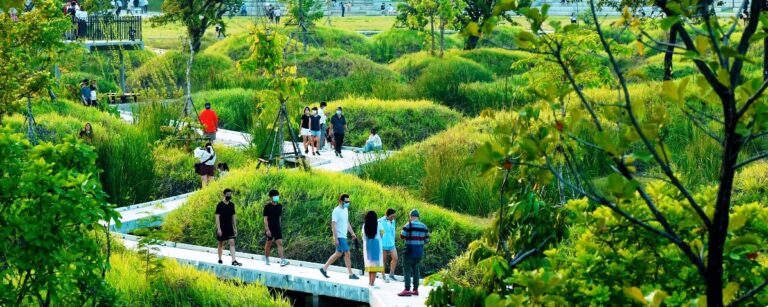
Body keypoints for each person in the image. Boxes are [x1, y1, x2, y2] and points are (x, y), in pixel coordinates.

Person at [319, 194, 359, 280]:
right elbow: (333, 225)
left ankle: (324, 268)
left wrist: (352, 233)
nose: (348, 203)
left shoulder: (346, 210)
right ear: (341, 201)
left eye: (349, 201)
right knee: (347, 252)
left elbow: (347, 222)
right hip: (339, 236)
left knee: (338, 254)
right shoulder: (336, 211)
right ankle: (351, 274)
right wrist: (335, 238)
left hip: (343, 235)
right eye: (346, 201)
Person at [397, 209, 430, 297]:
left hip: (409, 251)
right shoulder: (424, 226)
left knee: (407, 270)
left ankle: (407, 289)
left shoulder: (408, 225)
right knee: (416, 270)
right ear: (418, 217)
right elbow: (427, 240)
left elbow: (402, 236)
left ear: (410, 216)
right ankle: (415, 290)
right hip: (419, 252)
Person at [215, 189, 242, 266]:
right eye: (227, 194)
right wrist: (219, 229)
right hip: (222, 227)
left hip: (229, 226)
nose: (229, 196)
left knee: (232, 242)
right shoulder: (219, 205)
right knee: (221, 243)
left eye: (230, 194)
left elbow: (233, 217)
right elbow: (217, 218)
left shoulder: (232, 205)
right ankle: (220, 259)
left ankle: (233, 260)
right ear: (224, 194)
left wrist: (235, 228)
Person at [263, 190, 290, 267]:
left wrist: (280, 226)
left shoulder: (279, 206)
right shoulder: (267, 207)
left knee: (280, 243)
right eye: (275, 196)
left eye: (277, 195)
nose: (277, 197)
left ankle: (282, 260)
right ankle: (266, 258)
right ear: (271, 197)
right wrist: (267, 229)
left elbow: (279, 217)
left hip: (277, 227)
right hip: (270, 228)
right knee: (269, 244)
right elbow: (265, 219)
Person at [362, 211, 385, 288]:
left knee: (370, 265)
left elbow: (363, 236)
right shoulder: (379, 225)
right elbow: (382, 234)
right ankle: (372, 284)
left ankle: (370, 283)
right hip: (376, 245)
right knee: (374, 266)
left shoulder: (364, 226)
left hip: (368, 246)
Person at [378, 208, 398, 282]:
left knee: (395, 258)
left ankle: (391, 274)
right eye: (391, 216)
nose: (393, 218)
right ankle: (383, 277)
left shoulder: (393, 221)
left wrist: (393, 241)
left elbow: (393, 232)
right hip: (383, 244)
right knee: (383, 260)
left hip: (391, 243)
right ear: (387, 215)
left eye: (394, 216)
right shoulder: (380, 221)